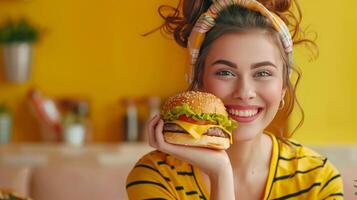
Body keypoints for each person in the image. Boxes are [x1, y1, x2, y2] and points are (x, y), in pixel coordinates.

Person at [126, 0, 344, 199]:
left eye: (263, 73)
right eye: (225, 72)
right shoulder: (156, 176)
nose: (244, 91)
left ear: (283, 89)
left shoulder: (319, 180)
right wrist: (220, 173)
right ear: (199, 82)